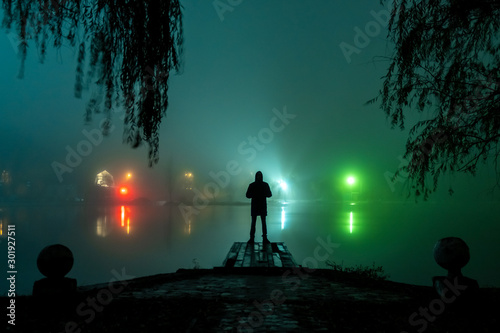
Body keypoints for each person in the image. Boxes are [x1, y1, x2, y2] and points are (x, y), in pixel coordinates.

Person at [246, 171, 272, 244]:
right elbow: (247, 195)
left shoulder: (252, 185)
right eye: (258, 176)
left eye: (259, 176)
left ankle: (260, 238)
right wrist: (262, 194)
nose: (259, 177)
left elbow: (269, 194)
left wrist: (255, 194)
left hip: (257, 206)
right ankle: (256, 238)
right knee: (257, 222)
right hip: (260, 206)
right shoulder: (264, 185)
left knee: (260, 222)